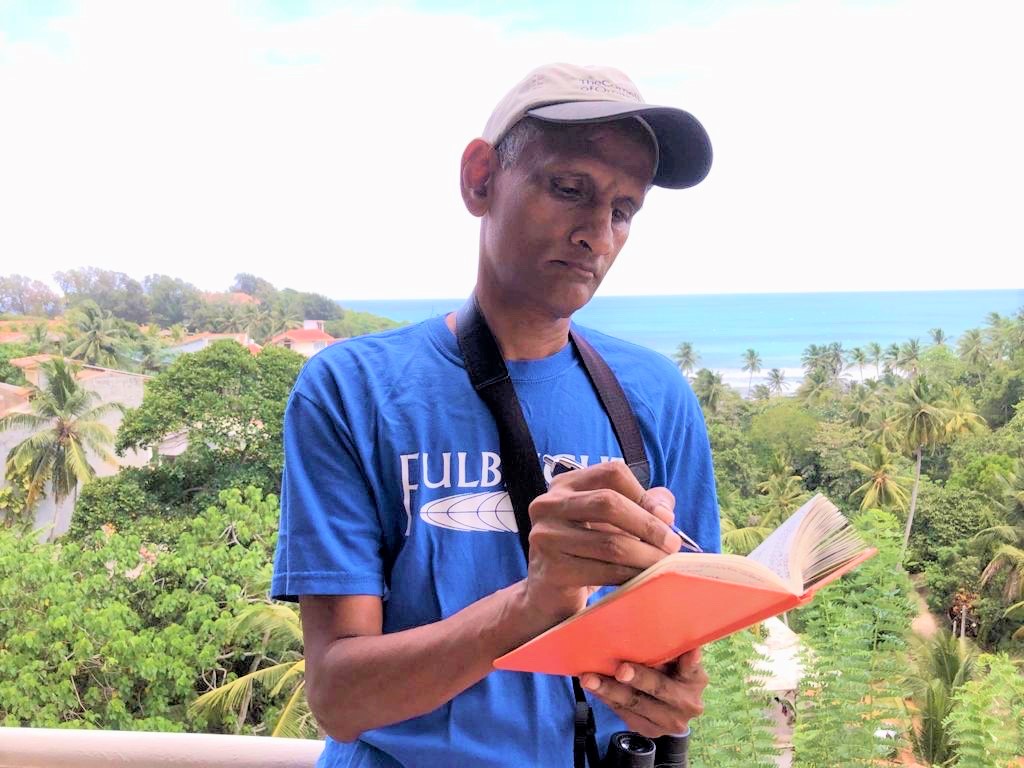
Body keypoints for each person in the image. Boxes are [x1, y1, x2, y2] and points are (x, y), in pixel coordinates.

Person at [271, 62, 722, 767]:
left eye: (624, 209)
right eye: (570, 189)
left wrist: (669, 694)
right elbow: (338, 698)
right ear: (480, 179)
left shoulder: (655, 396)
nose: (597, 233)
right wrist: (535, 601)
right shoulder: (353, 390)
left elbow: (677, 655)